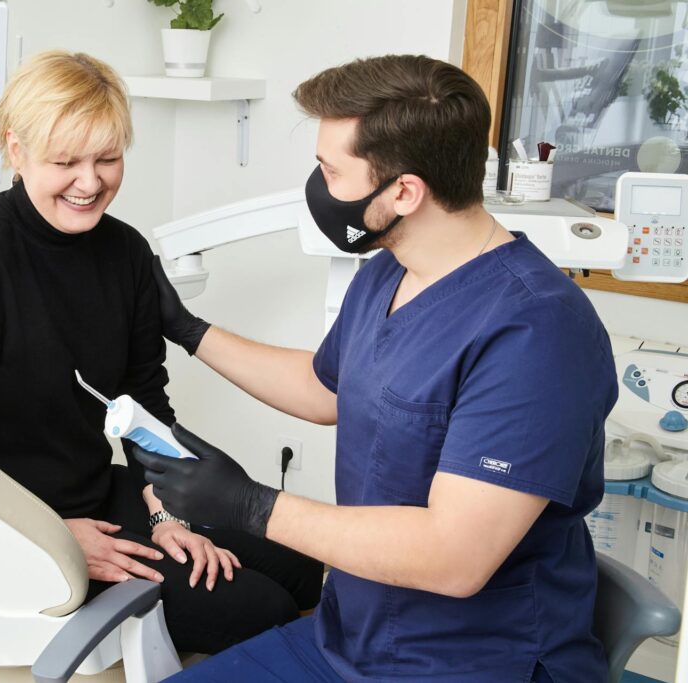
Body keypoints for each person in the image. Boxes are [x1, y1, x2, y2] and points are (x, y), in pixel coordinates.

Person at [136, 54, 617, 681]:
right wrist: (190, 332)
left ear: (404, 192)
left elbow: (455, 557)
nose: (318, 186)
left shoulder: (538, 332)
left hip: (471, 660)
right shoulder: (389, 271)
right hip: (350, 637)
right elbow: (326, 386)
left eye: (330, 170)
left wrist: (251, 505)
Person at [0, 49, 322, 655]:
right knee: (257, 608)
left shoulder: (123, 253)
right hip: (15, 527)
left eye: (108, 159)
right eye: (65, 161)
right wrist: (51, 541)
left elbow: (144, 401)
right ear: (16, 151)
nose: (90, 183)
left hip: (100, 492)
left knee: (303, 564)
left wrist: (165, 507)